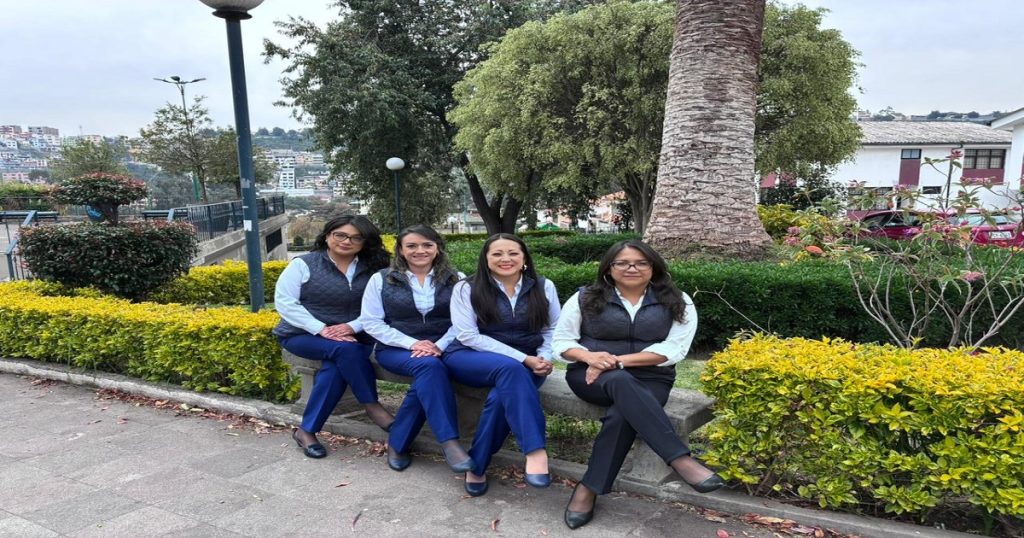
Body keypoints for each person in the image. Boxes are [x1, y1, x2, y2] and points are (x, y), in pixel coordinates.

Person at [552, 240, 725, 529]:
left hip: (652, 378)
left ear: (653, 267)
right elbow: (561, 342)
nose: (632, 268)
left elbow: (675, 349)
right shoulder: (585, 297)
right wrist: (590, 357)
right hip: (591, 376)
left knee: (623, 413)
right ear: (609, 268)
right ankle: (679, 459)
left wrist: (617, 361)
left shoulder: (677, 300)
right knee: (620, 381)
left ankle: (588, 488)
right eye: (622, 263)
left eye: (641, 263)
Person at [444, 233, 561, 496]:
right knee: (511, 368)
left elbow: (553, 328)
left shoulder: (544, 286)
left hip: (528, 362)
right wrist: (524, 358)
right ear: (485, 259)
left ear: (524, 258)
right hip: (470, 356)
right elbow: (468, 336)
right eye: (497, 253)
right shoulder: (466, 288)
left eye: (513, 253)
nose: (505, 258)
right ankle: (535, 450)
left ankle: (477, 464)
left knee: (500, 398)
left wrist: (543, 357)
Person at [273, 215, 394, 459]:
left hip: (355, 336)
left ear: (365, 241)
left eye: (356, 237)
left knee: (336, 366)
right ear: (328, 236)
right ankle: (372, 406)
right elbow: (285, 302)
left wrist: (351, 326)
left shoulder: (375, 267)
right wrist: (321, 329)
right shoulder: (303, 264)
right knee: (345, 351)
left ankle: (306, 431)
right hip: (303, 334)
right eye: (340, 235)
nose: (347, 241)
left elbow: (383, 305)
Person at [360, 225, 473, 473]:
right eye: (411, 246)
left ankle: (397, 442)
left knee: (429, 371)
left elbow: (463, 322)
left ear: (437, 248)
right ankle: (449, 441)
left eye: (427, 245)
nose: (419, 251)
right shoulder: (381, 279)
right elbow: (371, 322)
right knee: (429, 367)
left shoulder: (457, 278)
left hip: (445, 348)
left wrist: (438, 346)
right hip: (395, 348)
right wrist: (412, 343)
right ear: (400, 250)